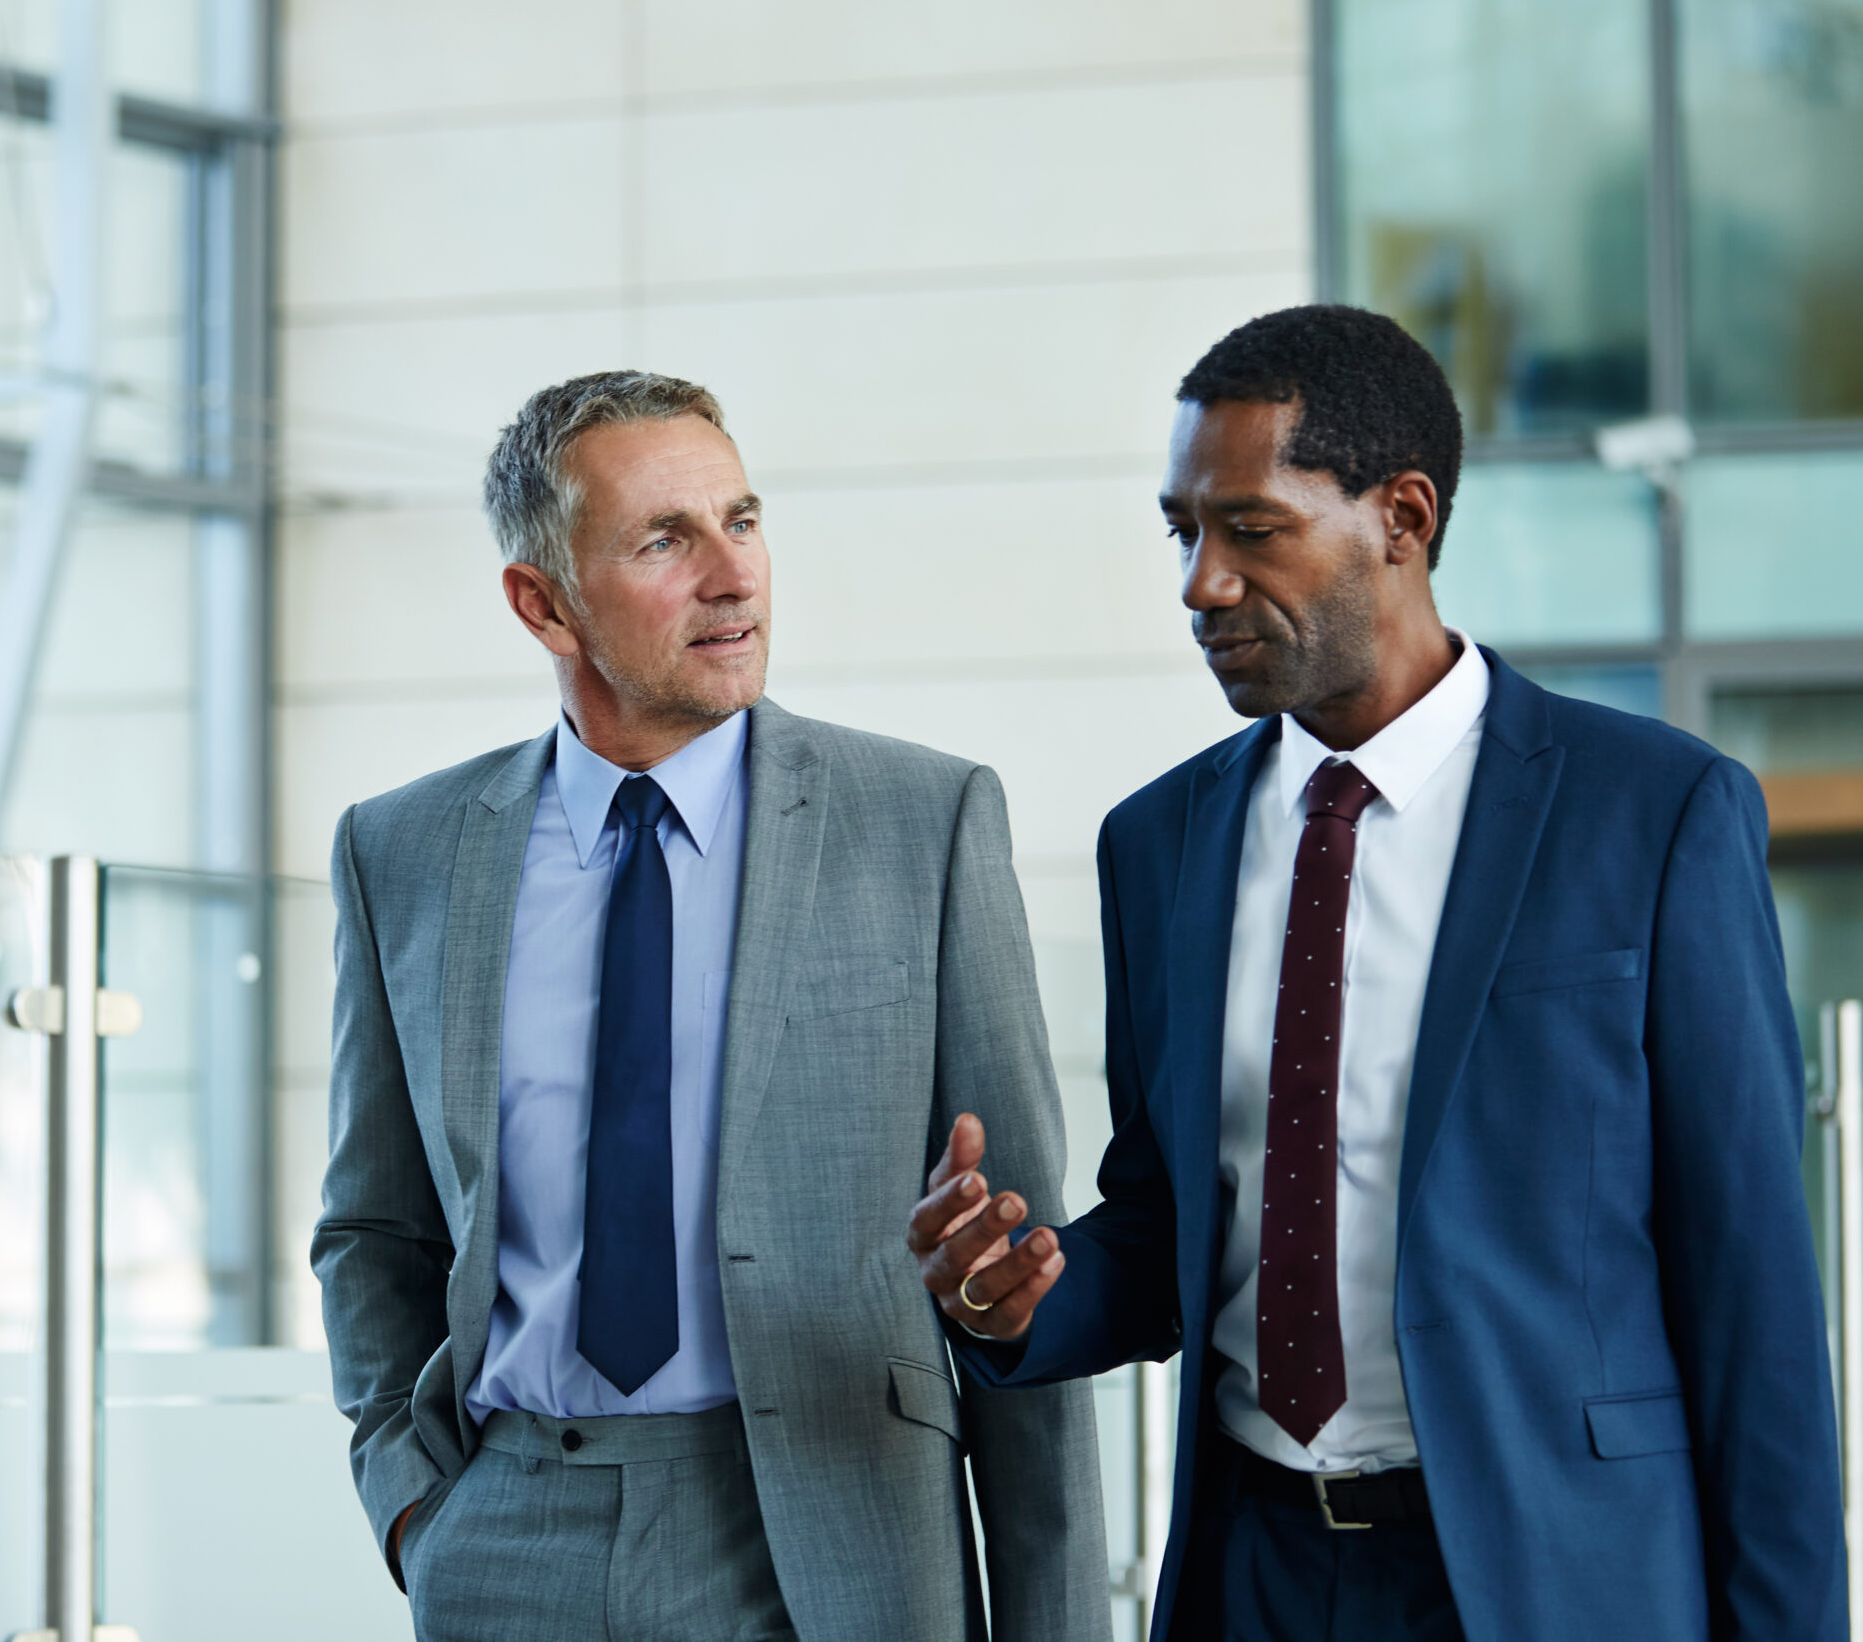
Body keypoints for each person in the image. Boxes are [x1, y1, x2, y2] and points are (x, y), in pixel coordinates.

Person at [910, 306, 1845, 1641]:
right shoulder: (1157, 844)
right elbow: (1175, 1219)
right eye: (1185, 532)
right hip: (1253, 1575)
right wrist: (1030, 1293)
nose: (1200, 584)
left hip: (1550, 1580)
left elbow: (1752, 1298)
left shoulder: (1656, 814)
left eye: (1251, 529)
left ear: (1402, 514)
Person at [315, 371, 1108, 1642]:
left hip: (835, 1537)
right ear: (544, 603)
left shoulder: (924, 822)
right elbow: (373, 1226)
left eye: (740, 521)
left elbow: (1020, 1261)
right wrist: (412, 1503)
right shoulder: (400, 852)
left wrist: (1055, 1623)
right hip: (509, 1533)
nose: (733, 577)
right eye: (664, 541)